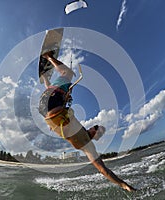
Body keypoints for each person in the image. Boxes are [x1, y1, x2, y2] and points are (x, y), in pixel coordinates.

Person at [39, 51, 136, 192]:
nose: (96, 129)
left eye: (99, 130)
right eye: (98, 128)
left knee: (68, 75)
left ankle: (47, 62)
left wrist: (123, 184)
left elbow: (103, 170)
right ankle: (47, 72)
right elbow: (103, 171)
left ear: (95, 134)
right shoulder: (86, 142)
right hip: (49, 108)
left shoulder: (89, 147)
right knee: (65, 83)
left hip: (49, 107)